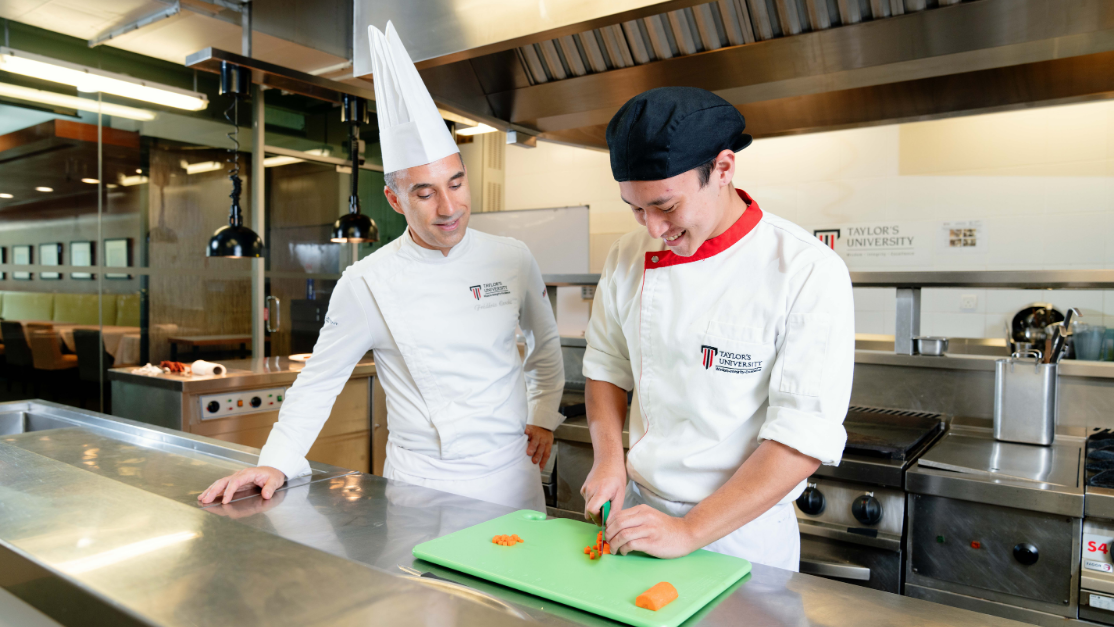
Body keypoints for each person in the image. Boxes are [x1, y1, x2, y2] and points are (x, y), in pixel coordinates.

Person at [199, 21, 564, 513]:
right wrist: (276, 461)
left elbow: (545, 344)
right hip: (425, 484)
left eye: (456, 183)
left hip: (512, 472)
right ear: (395, 199)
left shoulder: (512, 256)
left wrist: (544, 413)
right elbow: (319, 380)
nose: (449, 207)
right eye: (425, 193)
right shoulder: (366, 281)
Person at [579, 87, 854, 570]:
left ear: (723, 169)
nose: (652, 229)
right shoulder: (626, 257)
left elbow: (801, 437)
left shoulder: (806, 269)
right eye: (636, 209)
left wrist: (689, 530)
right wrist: (607, 460)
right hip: (638, 514)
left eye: (666, 206)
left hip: (740, 534)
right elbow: (606, 367)